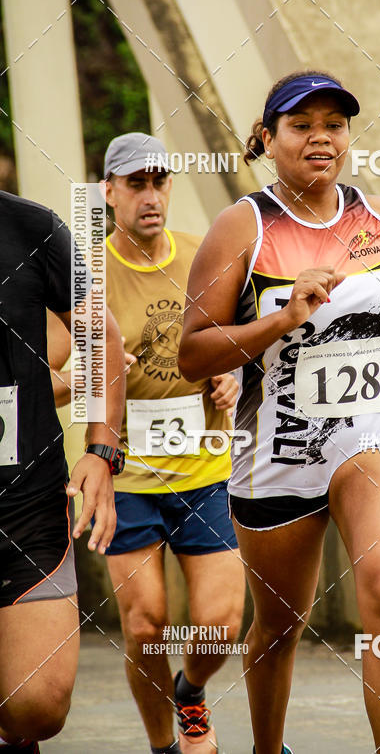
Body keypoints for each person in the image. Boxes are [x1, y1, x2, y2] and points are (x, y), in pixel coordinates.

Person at [178, 70, 380, 754]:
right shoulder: (244, 226)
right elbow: (193, 354)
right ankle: (267, 749)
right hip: (280, 454)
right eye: (302, 126)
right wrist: (282, 319)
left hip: (374, 435)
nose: (321, 138)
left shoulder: (376, 215)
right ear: (269, 139)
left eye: (334, 124)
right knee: (280, 625)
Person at [102, 134, 245, 754]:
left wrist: (234, 372)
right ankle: (165, 743)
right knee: (145, 623)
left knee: (221, 624)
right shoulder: (86, 274)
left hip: (205, 469)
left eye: (159, 181)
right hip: (128, 478)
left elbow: (240, 340)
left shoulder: (200, 258)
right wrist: (98, 373)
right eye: (136, 183)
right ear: (109, 192)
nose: (150, 194)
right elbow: (54, 373)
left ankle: (189, 691)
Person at [0, 190, 126, 753]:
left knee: (38, 706)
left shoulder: (31, 227)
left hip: (27, 497)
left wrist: (101, 453)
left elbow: (103, 339)